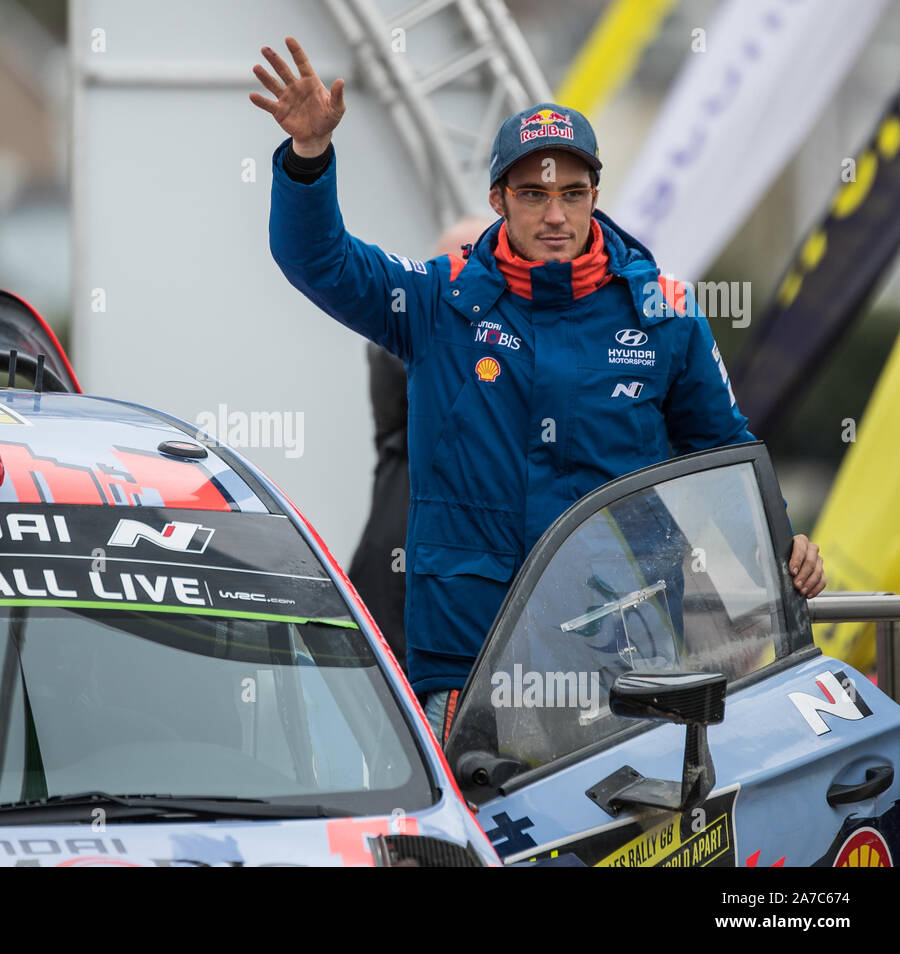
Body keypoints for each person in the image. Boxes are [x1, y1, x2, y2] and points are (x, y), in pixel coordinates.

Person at [250, 37, 826, 744]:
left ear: (593, 195)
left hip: (625, 658)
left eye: (572, 193)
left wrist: (783, 545)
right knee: (473, 853)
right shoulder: (439, 301)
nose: (555, 215)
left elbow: (727, 453)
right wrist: (310, 157)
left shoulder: (664, 316)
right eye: (532, 194)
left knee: (622, 848)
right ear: (498, 199)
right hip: (471, 658)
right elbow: (319, 260)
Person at [348, 217, 491, 676]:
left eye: (471, 260)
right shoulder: (411, 336)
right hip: (398, 559)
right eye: (448, 264)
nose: (458, 275)